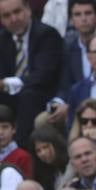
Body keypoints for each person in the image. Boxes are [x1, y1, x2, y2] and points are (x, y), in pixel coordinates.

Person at [0, 0, 64, 144]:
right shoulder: (2, 39)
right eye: (7, 15)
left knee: (29, 96)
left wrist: (6, 83)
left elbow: (43, 76)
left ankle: (19, 150)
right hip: (11, 97)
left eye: (17, 12)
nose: (14, 19)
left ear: (28, 9)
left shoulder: (47, 34)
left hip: (41, 95)